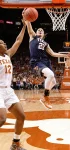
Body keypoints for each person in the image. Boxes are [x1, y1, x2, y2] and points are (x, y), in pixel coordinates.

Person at [22, 11, 70, 109]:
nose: (40, 30)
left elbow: (53, 54)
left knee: (53, 82)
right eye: (38, 30)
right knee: (50, 75)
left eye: (42, 30)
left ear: (44, 34)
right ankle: (46, 97)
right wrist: (26, 17)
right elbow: (29, 25)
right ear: (36, 32)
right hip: (36, 62)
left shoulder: (46, 43)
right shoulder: (32, 37)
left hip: (45, 62)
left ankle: (43, 97)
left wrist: (66, 55)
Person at [0, 20, 26, 150]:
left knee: (21, 116)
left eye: (4, 42)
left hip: (8, 90)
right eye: (1, 43)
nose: (4, 44)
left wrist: (25, 25)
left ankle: (15, 144)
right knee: (2, 119)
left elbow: (18, 41)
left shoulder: (8, 54)